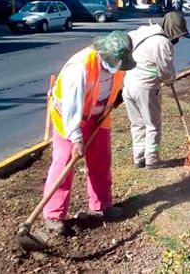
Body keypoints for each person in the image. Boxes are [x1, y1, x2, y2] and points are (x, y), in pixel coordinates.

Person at [43, 30, 136, 235]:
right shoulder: (81, 68)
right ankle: (53, 215)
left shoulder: (118, 63)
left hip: (99, 115)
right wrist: (76, 138)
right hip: (67, 116)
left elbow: (116, 84)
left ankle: (101, 205)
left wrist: (117, 96)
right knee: (64, 163)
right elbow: (71, 107)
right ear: (104, 55)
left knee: (101, 159)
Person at [123, 11, 190, 168]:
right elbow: (165, 70)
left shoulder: (142, 32)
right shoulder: (162, 42)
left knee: (137, 124)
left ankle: (139, 158)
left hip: (128, 85)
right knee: (152, 124)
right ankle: (152, 159)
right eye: (178, 35)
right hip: (145, 88)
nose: (178, 39)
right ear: (172, 30)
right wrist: (170, 80)